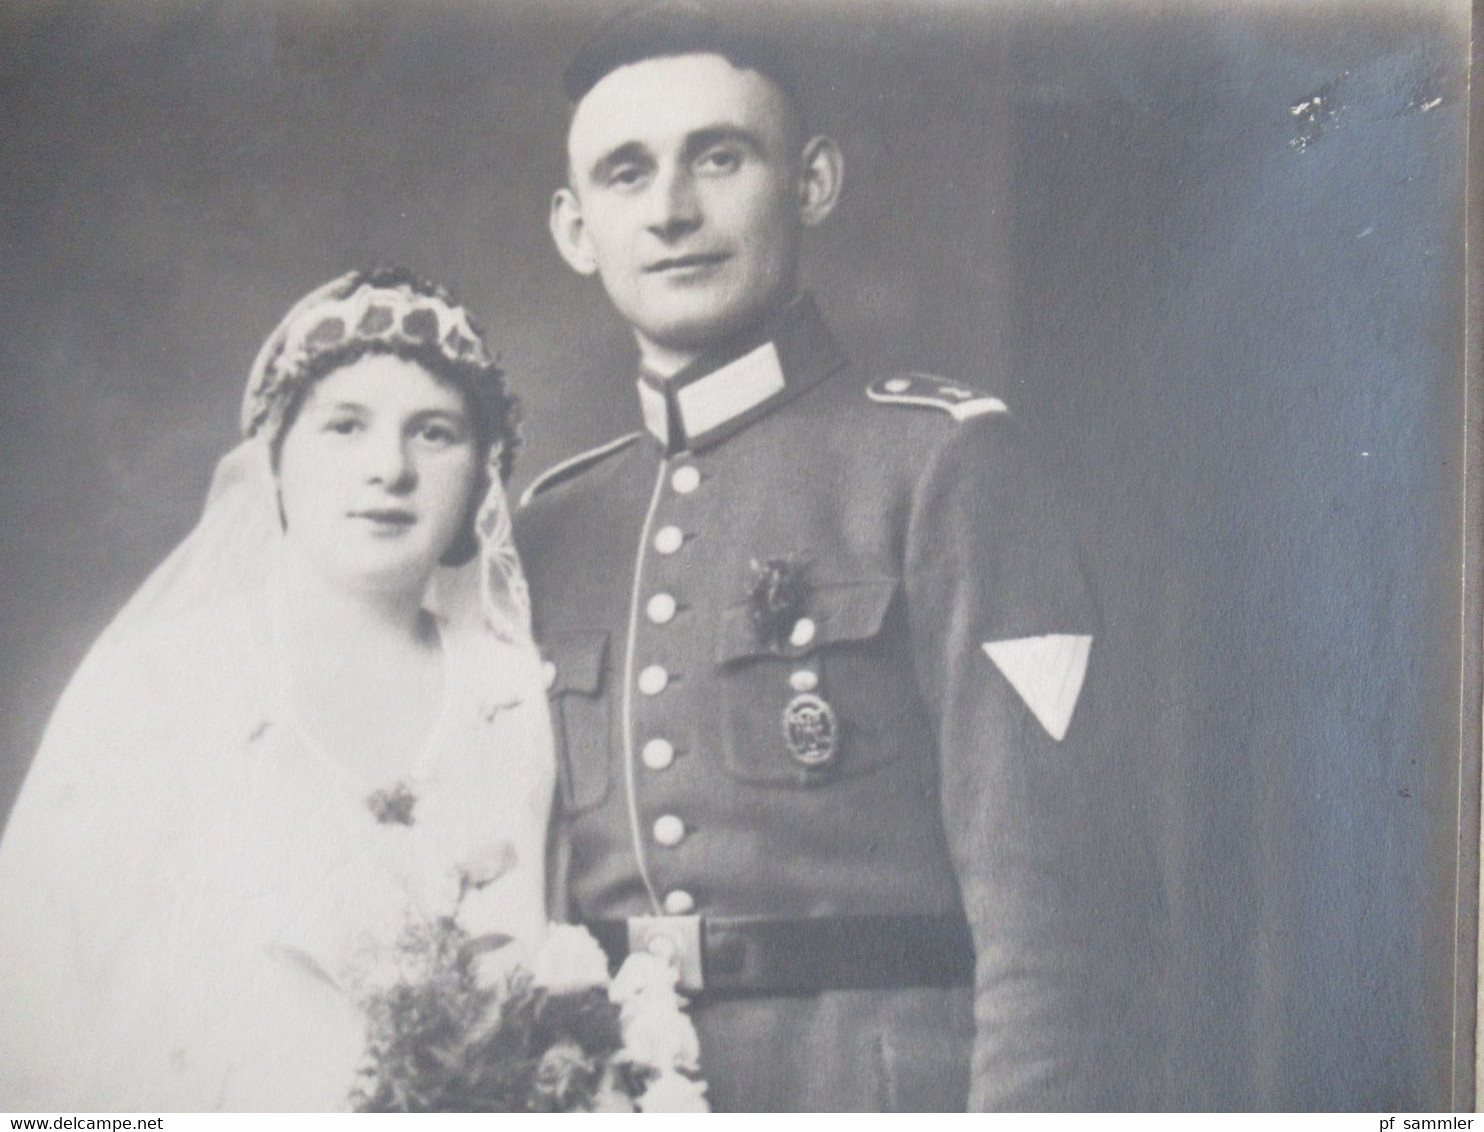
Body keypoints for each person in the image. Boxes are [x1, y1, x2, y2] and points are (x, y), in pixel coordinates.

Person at [514, 4, 1110, 1112]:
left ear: (814, 180)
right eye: (625, 173)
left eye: (719, 156)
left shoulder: (941, 463)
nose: (672, 211)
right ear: (573, 227)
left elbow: (1049, 917)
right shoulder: (549, 524)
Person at [0, 268, 553, 1111]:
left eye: (434, 433)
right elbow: (31, 1011)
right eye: (344, 427)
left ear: (483, 472)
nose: (389, 469)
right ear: (274, 464)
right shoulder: (159, 684)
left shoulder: (514, 692)